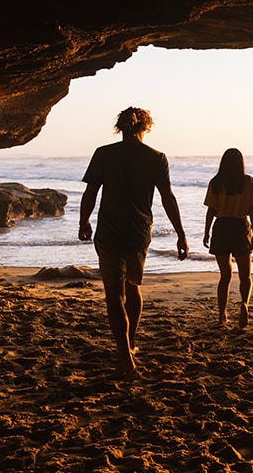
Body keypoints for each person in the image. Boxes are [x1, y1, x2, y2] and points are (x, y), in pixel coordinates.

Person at [78, 107, 189, 378]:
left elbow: (90, 192)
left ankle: (124, 354)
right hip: (139, 233)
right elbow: (168, 198)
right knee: (134, 287)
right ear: (146, 128)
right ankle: (131, 343)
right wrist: (181, 233)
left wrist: (84, 222)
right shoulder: (156, 158)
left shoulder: (104, 154)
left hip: (110, 232)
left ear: (120, 127)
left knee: (114, 293)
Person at [202, 148, 253, 330]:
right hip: (240, 226)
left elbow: (211, 210)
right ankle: (244, 303)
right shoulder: (250, 182)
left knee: (225, 276)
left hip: (221, 227)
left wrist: (206, 232)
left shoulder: (216, 182)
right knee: (246, 275)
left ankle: (222, 314)